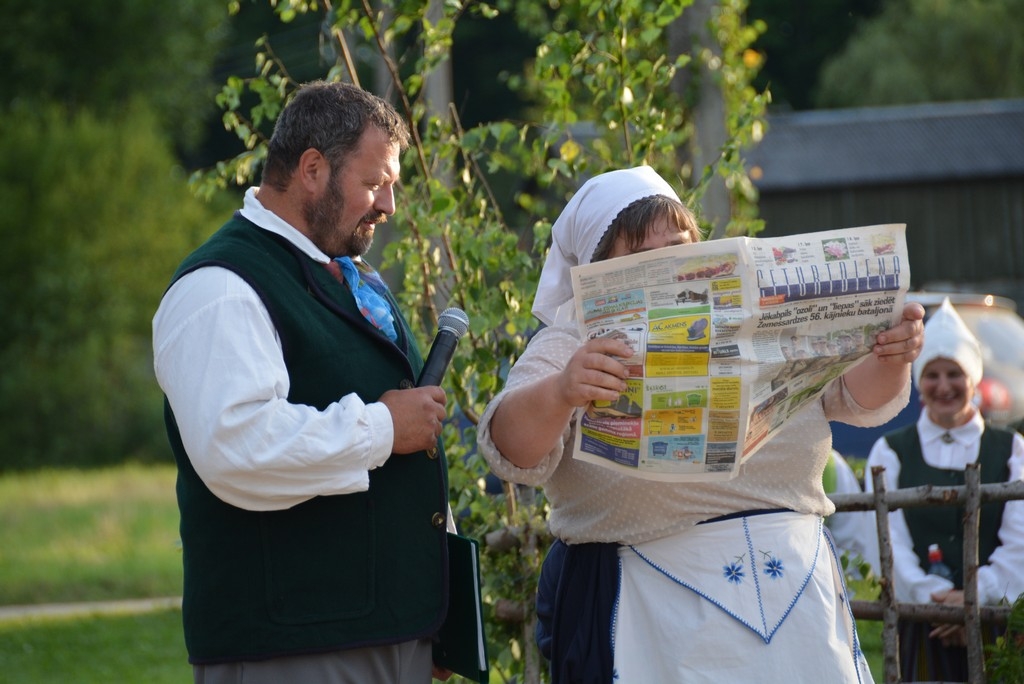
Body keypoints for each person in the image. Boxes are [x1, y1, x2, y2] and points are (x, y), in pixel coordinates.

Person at [476, 165, 926, 683]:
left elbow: (859, 399)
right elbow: (510, 448)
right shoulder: (569, 340)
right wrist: (560, 392)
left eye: (680, 243)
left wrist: (893, 355)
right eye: (644, 255)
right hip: (650, 605)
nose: (669, 261)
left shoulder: (755, 313)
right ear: (597, 272)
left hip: (797, 596)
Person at [153, 81, 455, 684]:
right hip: (291, 650)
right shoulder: (220, 288)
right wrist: (382, 426)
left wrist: (429, 613)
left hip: (391, 634)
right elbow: (238, 448)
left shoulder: (349, 276)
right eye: (374, 184)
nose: (388, 206)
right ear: (312, 169)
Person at [865, 298, 1024, 682]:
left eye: (954, 373)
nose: (944, 386)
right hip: (923, 623)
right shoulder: (891, 450)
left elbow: (1020, 540)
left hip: (995, 621)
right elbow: (889, 541)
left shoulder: (1012, 449)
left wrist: (977, 597)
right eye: (932, 375)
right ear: (919, 382)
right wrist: (932, 600)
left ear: (973, 378)